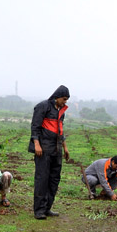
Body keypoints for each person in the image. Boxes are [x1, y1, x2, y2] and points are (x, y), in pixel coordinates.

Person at [29, 85, 70, 219]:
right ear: (57, 96)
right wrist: (37, 144)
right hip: (44, 148)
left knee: (54, 179)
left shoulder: (61, 111)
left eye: (66, 100)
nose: (65, 102)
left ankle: (47, 208)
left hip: (56, 149)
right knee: (42, 179)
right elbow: (35, 126)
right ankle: (39, 210)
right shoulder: (43, 106)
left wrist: (65, 147)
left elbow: (60, 130)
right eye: (64, 99)